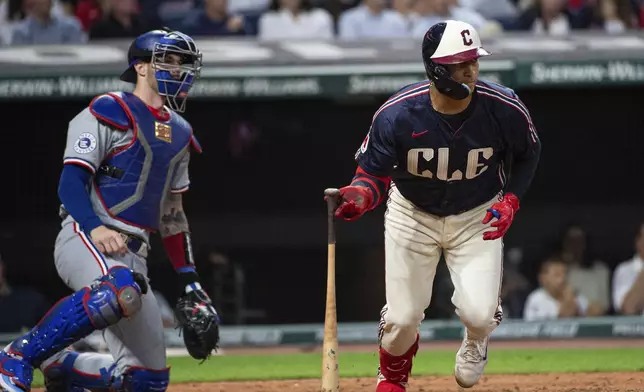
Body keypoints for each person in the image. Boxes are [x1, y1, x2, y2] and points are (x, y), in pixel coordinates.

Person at [0, 28, 220, 392]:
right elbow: (70, 183)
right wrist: (94, 226)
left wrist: (190, 279)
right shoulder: (108, 109)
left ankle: (63, 365)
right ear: (141, 66)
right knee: (118, 291)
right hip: (85, 234)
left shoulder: (181, 132)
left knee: (146, 381)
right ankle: (16, 357)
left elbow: (173, 215)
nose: (178, 70)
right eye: (168, 60)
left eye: (183, 63)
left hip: (137, 254)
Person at [327, 19, 541, 391]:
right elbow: (371, 175)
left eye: (473, 60)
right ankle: (393, 377)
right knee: (402, 319)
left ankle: (477, 338)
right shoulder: (397, 114)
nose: (471, 70)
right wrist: (360, 197)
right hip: (414, 214)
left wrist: (511, 201)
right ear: (437, 68)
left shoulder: (503, 107)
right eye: (461, 63)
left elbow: (529, 153)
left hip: (477, 214)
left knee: (479, 314)